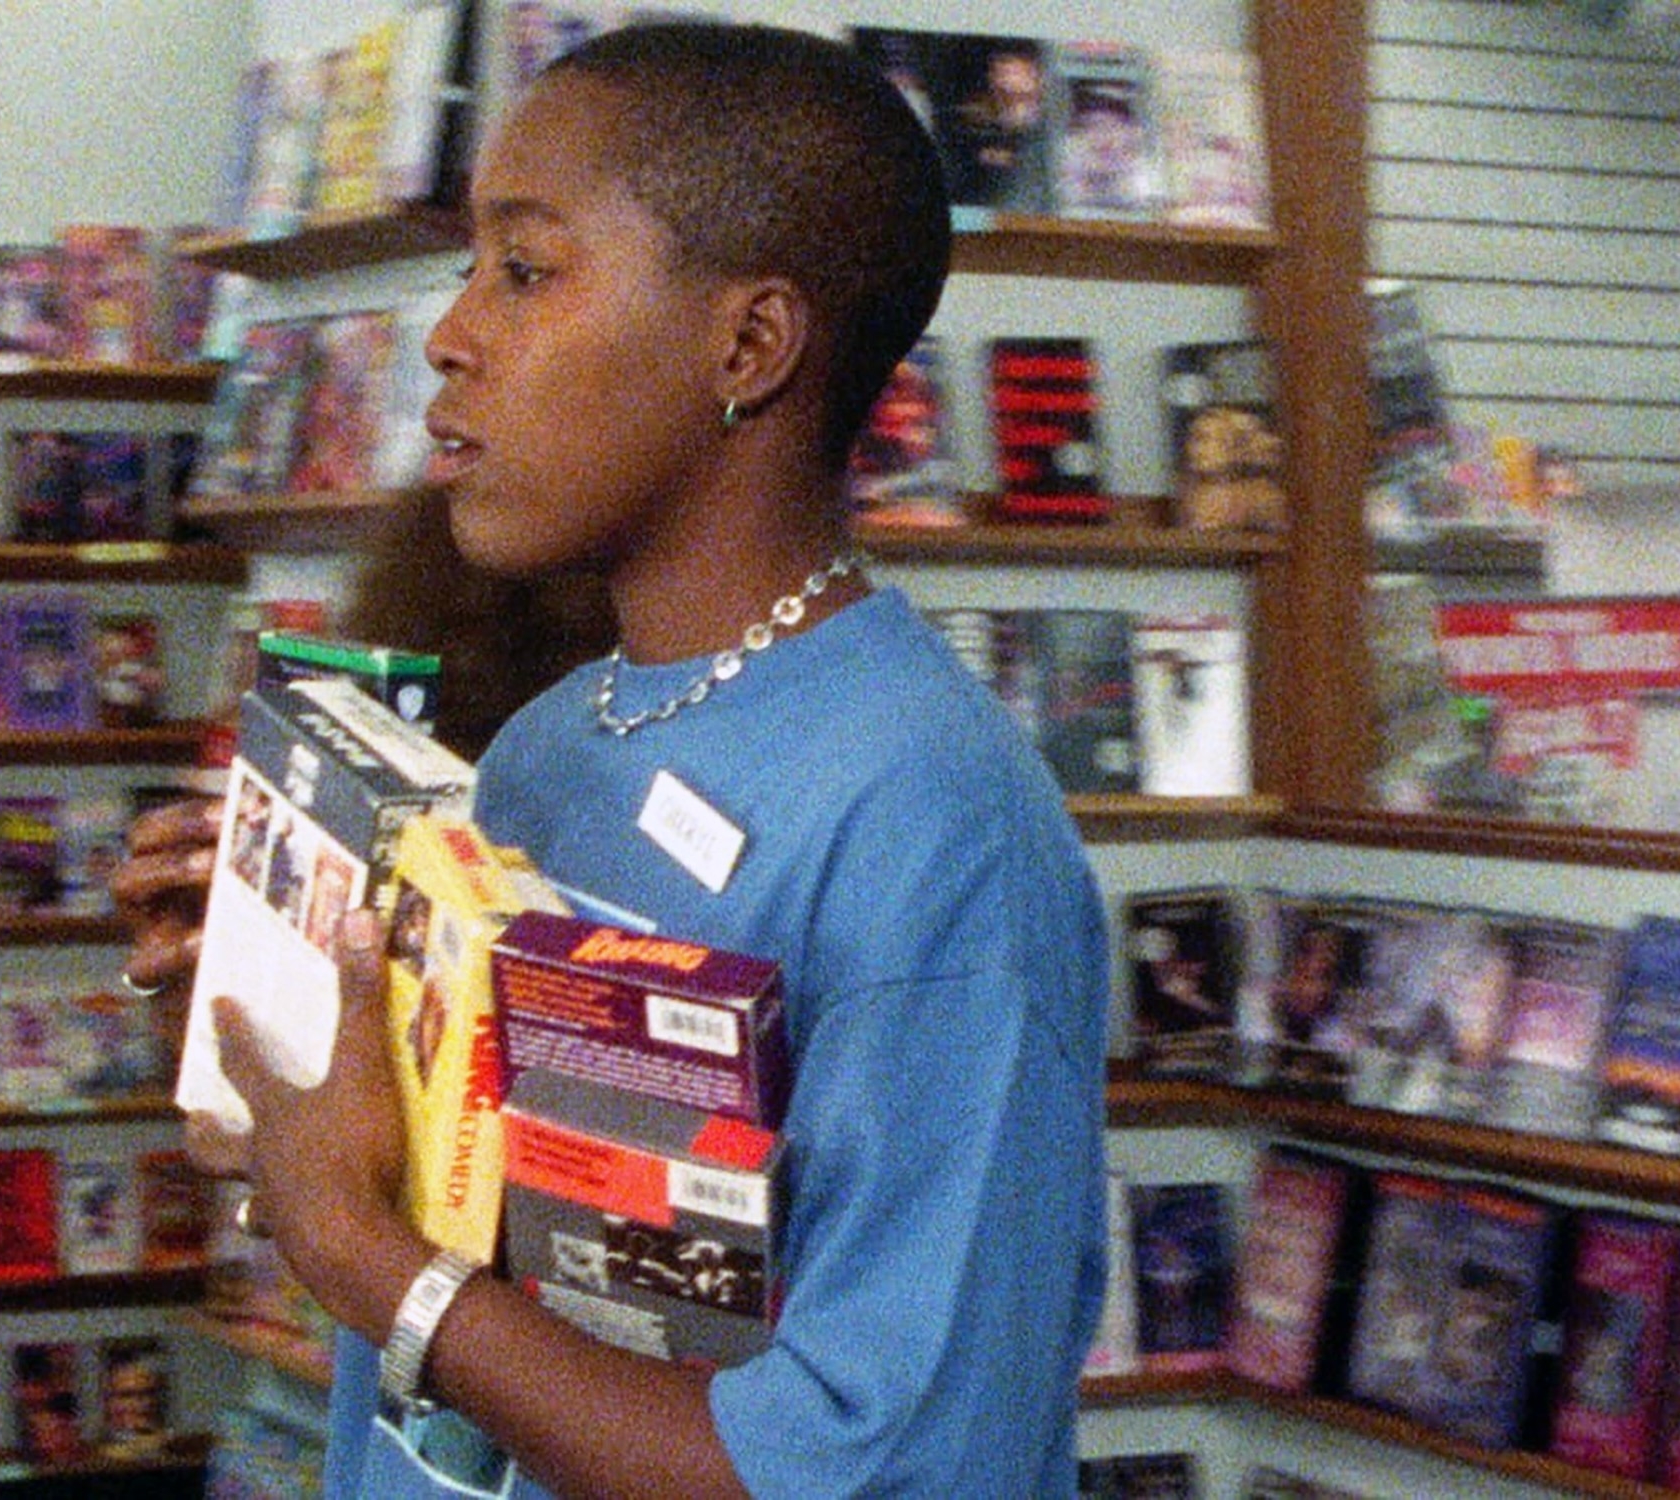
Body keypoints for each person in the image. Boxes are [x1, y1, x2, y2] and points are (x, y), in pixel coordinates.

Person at [120, 23, 1106, 1498]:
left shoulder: (939, 832)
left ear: (747, 348)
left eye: (524, 270)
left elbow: (871, 1469)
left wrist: (368, 1260)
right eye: (471, 269)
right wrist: (262, 1028)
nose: (451, 335)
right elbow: (451, 1218)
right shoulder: (543, 748)